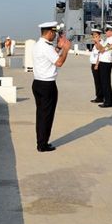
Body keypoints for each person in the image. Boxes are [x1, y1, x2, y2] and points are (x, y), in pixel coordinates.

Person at [32, 21, 71, 152]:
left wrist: (59, 48)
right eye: (54, 33)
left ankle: (41, 141)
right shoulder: (46, 47)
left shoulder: (38, 45)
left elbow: (50, 56)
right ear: (49, 32)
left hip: (38, 83)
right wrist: (66, 49)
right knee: (47, 116)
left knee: (41, 114)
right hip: (47, 85)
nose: (55, 36)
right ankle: (42, 144)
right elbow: (59, 62)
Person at [95, 24, 112, 108]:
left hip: (106, 63)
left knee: (106, 83)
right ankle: (106, 100)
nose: (106, 31)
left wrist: (97, 41)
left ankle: (108, 102)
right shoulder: (107, 39)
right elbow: (98, 49)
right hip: (103, 62)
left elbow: (102, 50)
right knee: (103, 82)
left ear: (111, 31)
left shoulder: (111, 40)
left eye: (107, 30)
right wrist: (97, 42)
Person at [89, 28, 103, 104]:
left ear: (99, 36)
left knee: (98, 81)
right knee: (96, 81)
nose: (93, 37)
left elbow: (100, 54)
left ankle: (100, 97)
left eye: (95, 36)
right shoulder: (95, 44)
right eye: (93, 36)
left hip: (97, 65)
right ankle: (99, 95)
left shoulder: (100, 43)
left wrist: (97, 64)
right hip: (94, 64)